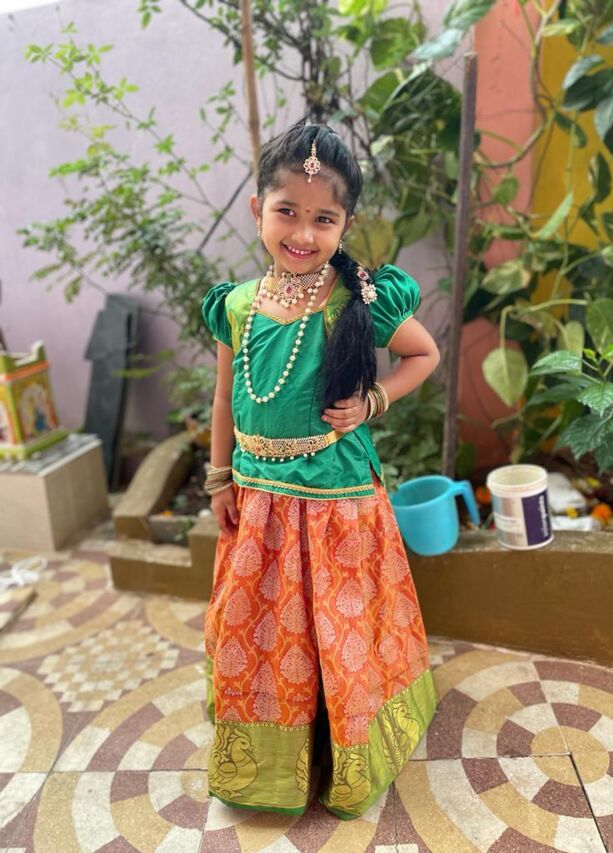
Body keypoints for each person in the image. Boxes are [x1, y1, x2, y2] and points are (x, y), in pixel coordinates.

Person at [201, 119, 441, 820]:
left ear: (346, 224)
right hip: (258, 504)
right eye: (287, 212)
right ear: (258, 209)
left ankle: (342, 749)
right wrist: (219, 478)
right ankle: (275, 752)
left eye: (323, 219)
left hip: (338, 504)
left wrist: (373, 402)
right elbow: (223, 398)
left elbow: (423, 355)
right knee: (265, 631)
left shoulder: (357, 301)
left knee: (339, 632)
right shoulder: (237, 307)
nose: (303, 233)